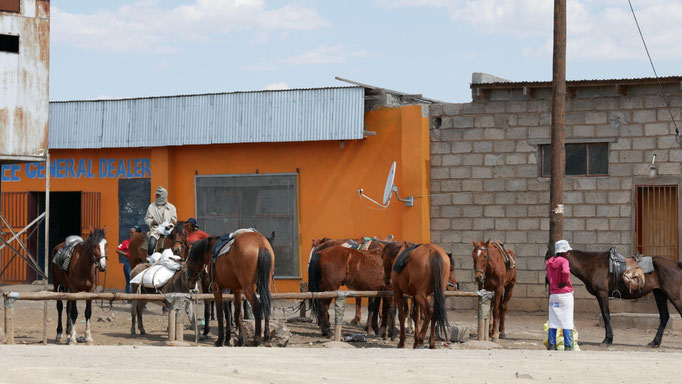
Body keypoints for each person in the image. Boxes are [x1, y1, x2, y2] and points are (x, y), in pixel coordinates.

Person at [546, 239, 574, 351]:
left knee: (553, 321)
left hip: (553, 294)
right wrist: (564, 281)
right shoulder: (564, 261)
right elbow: (566, 272)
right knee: (566, 320)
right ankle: (568, 345)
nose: (568, 253)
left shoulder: (549, 262)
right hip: (565, 294)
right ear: (562, 252)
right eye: (567, 251)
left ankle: (552, 345)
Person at [144, 186, 177, 256]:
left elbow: (174, 220)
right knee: (152, 243)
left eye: (158, 195)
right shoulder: (151, 206)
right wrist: (152, 221)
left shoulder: (172, 207)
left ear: (163, 195)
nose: (156, 197)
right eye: (156, 195)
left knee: (179, 242)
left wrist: (170, 225)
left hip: (169, 230)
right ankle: (150, 258)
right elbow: (147, 219)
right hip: (156, 230)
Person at [116, 226, 140, 294]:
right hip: (129, 263)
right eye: (130, 232)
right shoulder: (126, 242)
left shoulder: (142, 242)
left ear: (137, 233)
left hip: (139, 264)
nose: (130, 234)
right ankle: (129, 298)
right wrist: (126, 254)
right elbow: (117, 250)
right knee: (129, 281)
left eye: (132, 232)